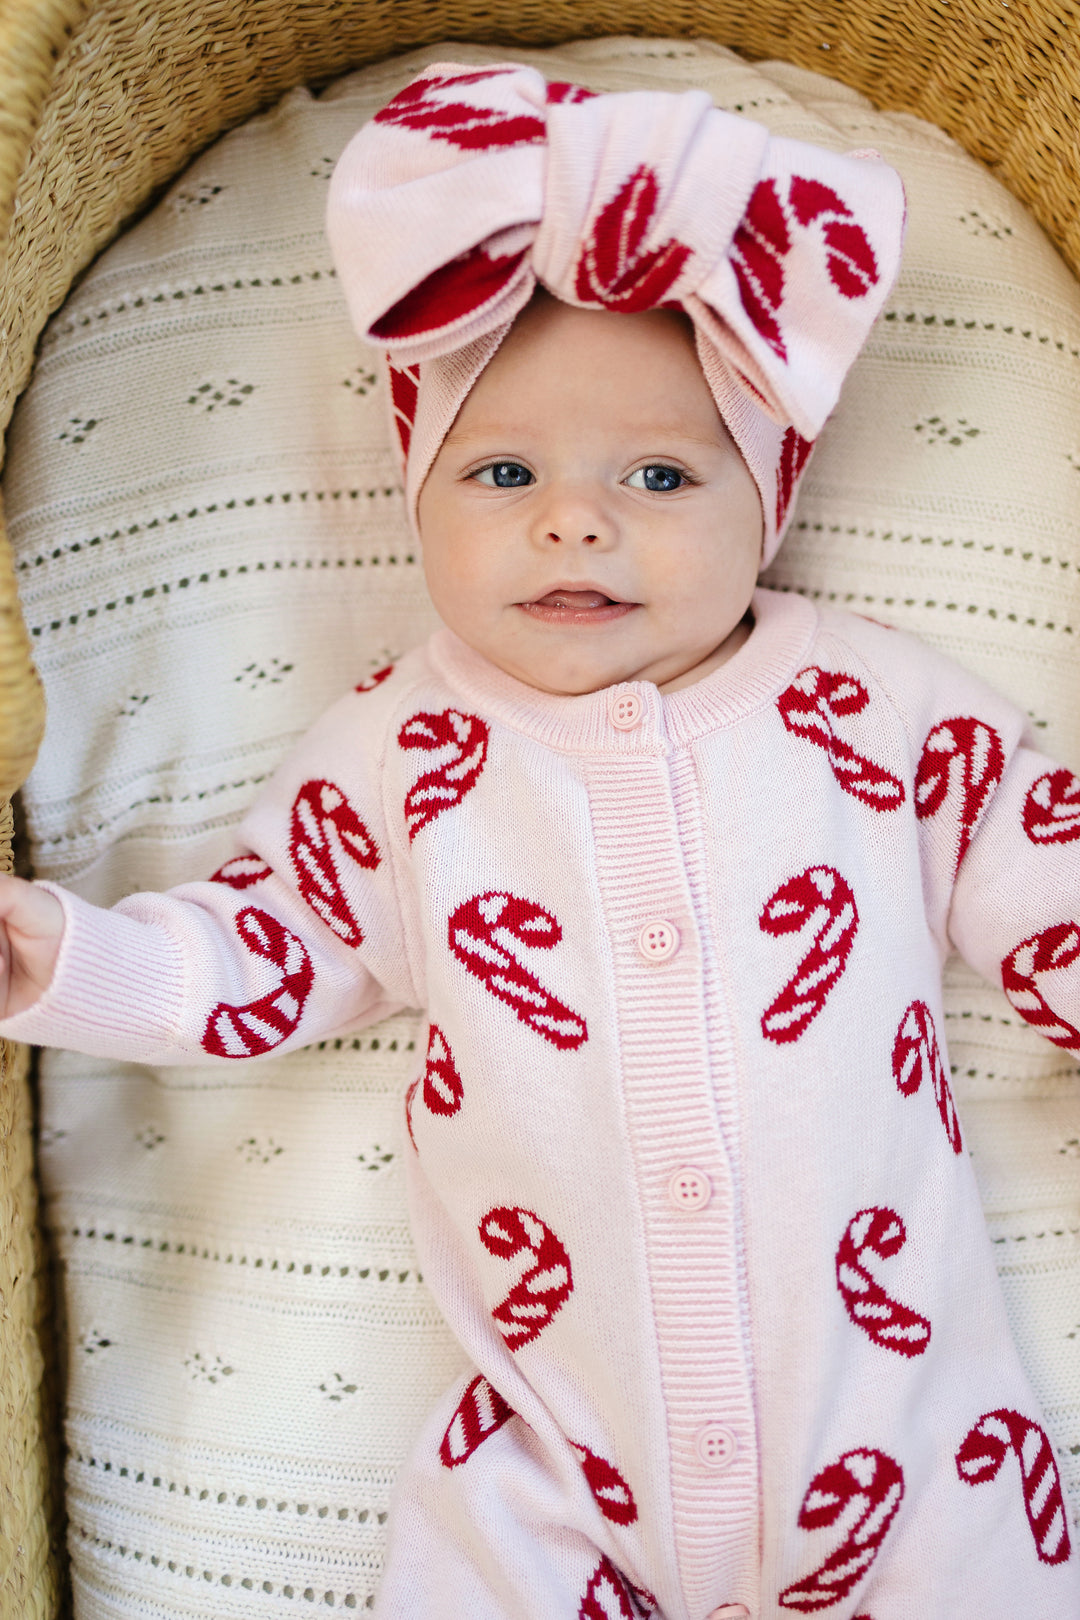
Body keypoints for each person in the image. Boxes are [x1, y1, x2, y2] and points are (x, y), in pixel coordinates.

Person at [1, 62, 1078, 1620]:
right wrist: (70, 959)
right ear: (418, 499)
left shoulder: (875, 706)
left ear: (767, 499)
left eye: (659, 476)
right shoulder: (400, 750)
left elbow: (1041, 869)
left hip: (915, 1438)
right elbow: (271, 942)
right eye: (504, 475)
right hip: (555, 1462)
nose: (577, 521)